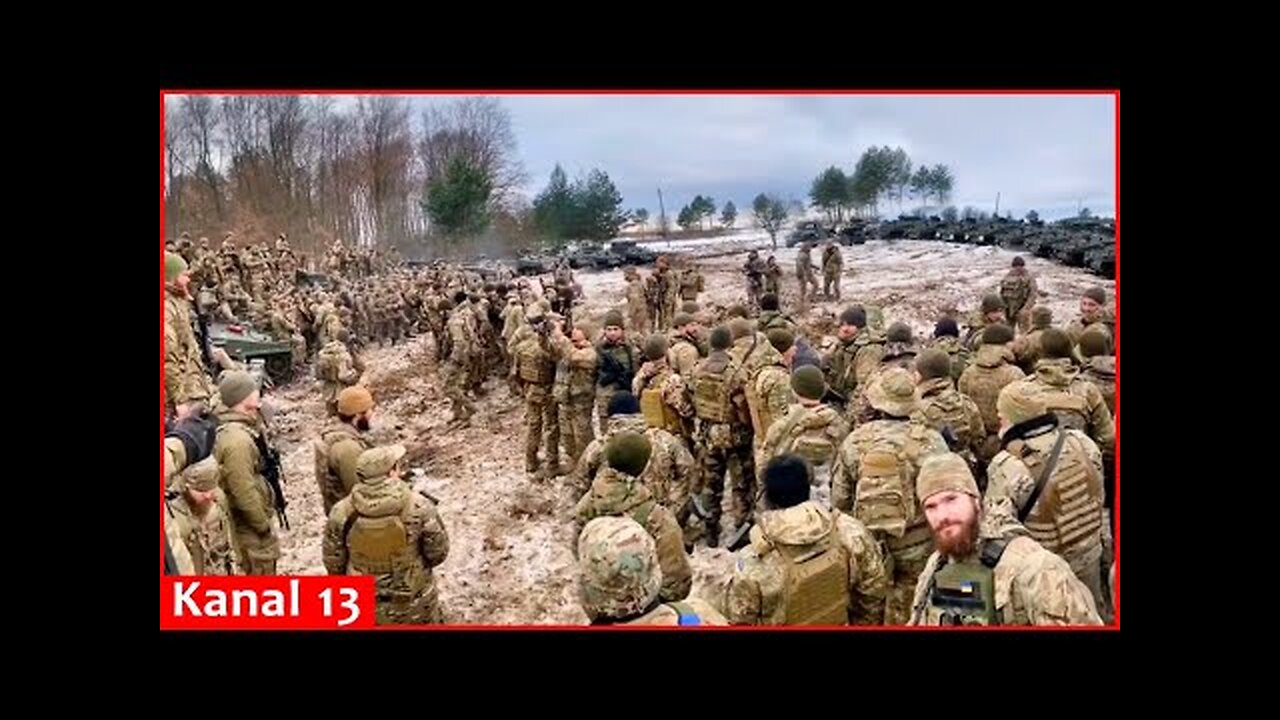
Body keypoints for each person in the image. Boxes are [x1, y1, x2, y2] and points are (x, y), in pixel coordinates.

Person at [908, 453, 1103, 626]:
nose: (943, 515)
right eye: (931, 507)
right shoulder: (936, 565)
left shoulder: (1034, 568)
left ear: (975, 499)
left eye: (951, 499)